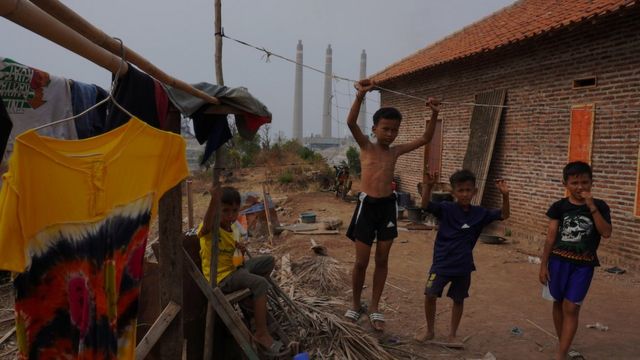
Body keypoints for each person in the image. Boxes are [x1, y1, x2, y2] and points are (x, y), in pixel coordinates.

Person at [344, 78, 440, 332]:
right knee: (361, 262)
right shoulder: (366, 146)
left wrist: (434, 113)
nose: (390, 134)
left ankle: (375, 307)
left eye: (394, 130)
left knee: (383, 259)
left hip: (387, 207)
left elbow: (425, 138)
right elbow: (351, 122)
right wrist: (360, 96)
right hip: (366, 207)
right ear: (374, 128)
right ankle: (355, 304)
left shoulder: (395, 152)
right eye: (386, 129)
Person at [415, 170, 509, 343]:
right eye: (461, 190)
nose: (465, 194)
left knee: (458, 300)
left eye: (468, 190)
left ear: (475, 191)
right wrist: (428, 186)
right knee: (430, 294)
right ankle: (429, 330)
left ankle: (453, 335)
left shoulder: (480, 213)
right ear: (453, 192)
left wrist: (505, 196)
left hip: (463, 266)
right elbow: (425, 206)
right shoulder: (446, 208)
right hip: (441, 264)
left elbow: (504, 214)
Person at [538, 161, 612, 360]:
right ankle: (564, 343)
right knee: (558, 303)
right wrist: (543, 265)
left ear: (591, 182)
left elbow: (606, 233)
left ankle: (561, 354)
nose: (580, 187)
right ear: (566, 184)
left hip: (584, 265)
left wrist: (591, 207)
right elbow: (551, 237)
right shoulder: (558, 207)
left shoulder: (601, 206)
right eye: (575, 183)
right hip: (557, 263)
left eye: (585, 182)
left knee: (571, 307)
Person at [197, 186, 281, 354]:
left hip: (236, 269)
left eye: (234, 211)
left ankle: (252, 299)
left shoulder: (233, 228)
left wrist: (239, 251)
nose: (230, 216)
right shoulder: (210, 229)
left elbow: (233, 257)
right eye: (225, 211)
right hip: (222, 279)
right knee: (260, 284)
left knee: (268, 261)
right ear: (216, 211)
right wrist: (214, 200)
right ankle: (261, 333)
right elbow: (206, 226)